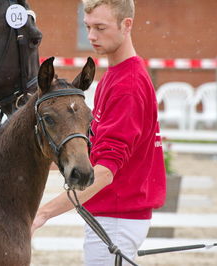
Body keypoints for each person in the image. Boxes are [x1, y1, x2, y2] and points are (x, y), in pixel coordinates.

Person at [31, 0, 166, 265]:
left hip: (118, 218)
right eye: (88, 27)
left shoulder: (128, 84)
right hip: (110, 215)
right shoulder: (114, 76)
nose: (92, 36)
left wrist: (43, 214)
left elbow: (104, 172)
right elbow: (92, 153)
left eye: (101, 28)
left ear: (126, 25)